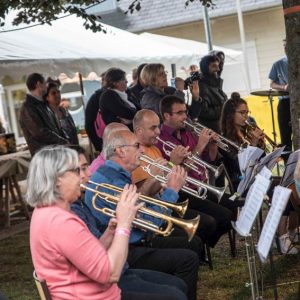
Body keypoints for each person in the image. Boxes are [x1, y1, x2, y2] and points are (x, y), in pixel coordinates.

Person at [85, 130, 200, 300]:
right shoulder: (113, 181)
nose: (142, 150)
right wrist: (172, 191)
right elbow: (147, 221)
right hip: (129, 249)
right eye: (136, 146)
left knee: (191, 248)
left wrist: (161, 192)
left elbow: (141, 209)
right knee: (188, 259)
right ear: (120, 151)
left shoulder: (114, 174)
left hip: (131, 242)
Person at [26, 146, 142, 300]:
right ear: (57, 178)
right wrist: (124, 225)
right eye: (76, 171)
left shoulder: (45, 212)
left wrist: (110, 232)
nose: (84, 176)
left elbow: (87, 257)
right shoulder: (61, 222)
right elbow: (111, 273)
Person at [156, 95, 233, 247]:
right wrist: (199, 147)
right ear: (166, 116)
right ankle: (199, 245)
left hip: (200, 186)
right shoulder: (161, 140)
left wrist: (212, 146)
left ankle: (202, 243)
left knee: (232, 207)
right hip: (184, 192)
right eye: (179, 113)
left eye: (185, 112)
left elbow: (208, 161)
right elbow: (175, 172)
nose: (185, 116)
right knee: (221, 216)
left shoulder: (188, 133)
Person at [220, 93, 265, 191]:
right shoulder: (224, 140)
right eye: (242, 112)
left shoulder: (247, 132)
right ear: (230, 114)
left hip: (257, 177)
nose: (246, 117)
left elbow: (263, 157)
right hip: (241, 184)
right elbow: (239, 167)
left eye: (247, 112)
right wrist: (253, 144)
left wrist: (260, 144)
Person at [19, 73, 69, 155]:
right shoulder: (28, 107)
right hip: (43, 157)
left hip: (55, 153)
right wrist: (63, 141)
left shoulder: (42, 104)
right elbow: (39, 132)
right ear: (38, 84)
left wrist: (65, 138)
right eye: (45, 83)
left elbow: (56, 127)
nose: (47, 85)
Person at [189, 54, 227, 133]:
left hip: (221, 126)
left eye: (218, 66)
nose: (218, 69)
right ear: (205, 68)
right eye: (213, 66)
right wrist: (224, 110)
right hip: (211, 130)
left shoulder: (215, 84)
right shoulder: (201, 86)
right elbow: (204, 112)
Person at [268, 39, 292, 152]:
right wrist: (284, 87)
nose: (286, 48)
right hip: (285, 102)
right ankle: (289, 165)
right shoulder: (277, 64)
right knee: (285, 137)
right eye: (284, 46)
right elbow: (272, 84)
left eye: (288, 45)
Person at [45, 78, 79, 145]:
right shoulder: (48, 116)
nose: (57, 95)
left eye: (58, 92)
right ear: (47, 97)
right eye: (53, 93)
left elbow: (73, 132)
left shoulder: (65, 111)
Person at [85, 71, 107, 151]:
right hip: (104, 143)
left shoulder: (121, 95)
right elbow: (89, 125)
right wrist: (99, 146)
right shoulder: (95, 98)